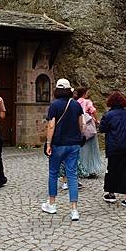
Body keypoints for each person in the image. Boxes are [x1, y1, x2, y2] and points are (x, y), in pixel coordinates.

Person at [42, 78, 84, 221]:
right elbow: (81, 125)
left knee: (53, 173)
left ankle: (52, 204)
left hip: (58, 144)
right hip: (73, 144)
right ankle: (74, 210)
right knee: (72, 175)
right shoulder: (76, 105)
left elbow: (51, 126)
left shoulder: (54, 105)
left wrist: (48, 143)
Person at [99, 91, 126, 208]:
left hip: (114, 146)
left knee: (112, 170)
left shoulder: (108, 115)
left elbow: (102, 129)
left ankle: (111, 193)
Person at [76, 86, 102, 178]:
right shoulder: (87, 102)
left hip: (79, 128)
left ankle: (81, 169)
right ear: (84, 93)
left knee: (81, 150)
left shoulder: (76, 102)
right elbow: (93, 111)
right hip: (89, 129)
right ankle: (90, 170)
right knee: (91, 150)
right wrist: (96, 120)